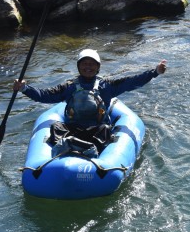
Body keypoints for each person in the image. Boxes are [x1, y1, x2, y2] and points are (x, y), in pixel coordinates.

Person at [13, 49, 167, 155]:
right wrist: (25, 88)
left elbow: (132, 82)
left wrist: (154, 72)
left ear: (98, 67)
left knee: (106, 130)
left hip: (97, 130)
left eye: (92, 64)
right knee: (56, 127)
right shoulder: (69, 87)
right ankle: (73, 144)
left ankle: (87, 147)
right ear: (79, 66)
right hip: (73, 129)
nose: (88, 67)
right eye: (84, 64)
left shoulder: (107, 86)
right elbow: (44, 96)